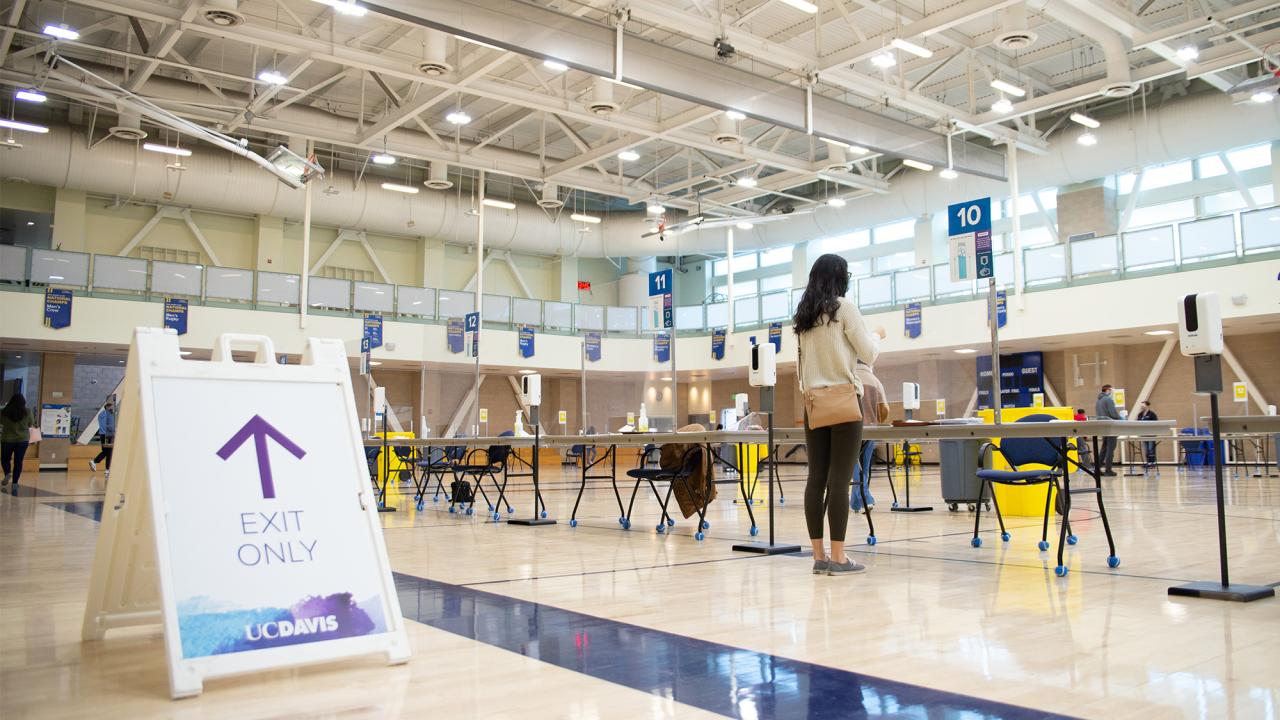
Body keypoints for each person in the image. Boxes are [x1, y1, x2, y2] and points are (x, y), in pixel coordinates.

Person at [794, 253, 883, 577]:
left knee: (816, 479)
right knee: (840, 480)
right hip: (845, 401)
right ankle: (839, 557)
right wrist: (878, 337)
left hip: (814, 403)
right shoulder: (844, 308)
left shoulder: (804, 315)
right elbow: (868, 353)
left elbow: (802, 366)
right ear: (840, 277)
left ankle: (818, 556)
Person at [850, 360, 889, 513]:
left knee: (854, 466)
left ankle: (866, 499)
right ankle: (856, 503)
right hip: (871, 430)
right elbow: (884, 410)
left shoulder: (849, 376)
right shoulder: (876, 381)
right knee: (864, 467)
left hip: (851, 428)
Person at [1, 393, 37, 487]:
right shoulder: (27, 412)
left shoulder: (4, 411)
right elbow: (31, 424)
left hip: (7, 440)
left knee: (5, 459)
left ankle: (7, 473)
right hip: (22, 441)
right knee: (18, 461)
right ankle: (15, 483)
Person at [1095, 384, 1122, 476]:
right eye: (1112, 390)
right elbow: (1113, 413)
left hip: (1103, 427)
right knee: (1111, 448)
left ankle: (1097, 469)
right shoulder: (1108, 399)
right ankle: (1108, 470)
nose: (1112, 392)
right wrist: (1121, 419)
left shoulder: (1098, 401)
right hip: (1111, 427)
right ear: (1108, 390)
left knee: (1104, 448)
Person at [89, 400, 116, 477]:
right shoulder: (109, 414)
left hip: (102, 435)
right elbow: (110, 426)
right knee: (109, 452)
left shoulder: (101, 414)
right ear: (107, 407)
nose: (112, 408)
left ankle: (96, 463)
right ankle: (106, 469)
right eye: (111, 407)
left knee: (105, 451)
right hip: (108, 435)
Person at [1134, 401, 1159, 468]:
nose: (1142, 407)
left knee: (1151, 449)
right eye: (1141, 406)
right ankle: (1148, 462)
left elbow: (1156, 423)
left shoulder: (1152, 414)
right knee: (1146, 449)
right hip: (1143, 434)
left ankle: (1153, 463)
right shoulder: (1140, 414)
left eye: (1143, 405)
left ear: (1147, 406)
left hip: (1151, 434)